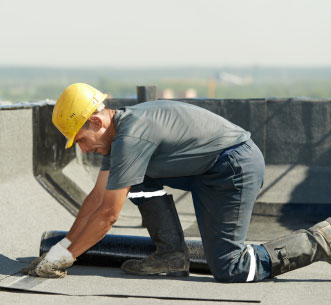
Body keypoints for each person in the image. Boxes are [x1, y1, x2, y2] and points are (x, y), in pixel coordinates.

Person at [24, 83, 331, 281]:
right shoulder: (117, 137)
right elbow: (97, 199)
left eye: (81, 140)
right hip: (206, 169)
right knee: (132, 178)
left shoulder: (130, 137)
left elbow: (108, 215)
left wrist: (65, 257)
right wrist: (62, 245)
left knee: (230, 268)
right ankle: (171, 254)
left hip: (234, 168)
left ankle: (320, 240)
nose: (83, 149)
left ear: (96, 121)